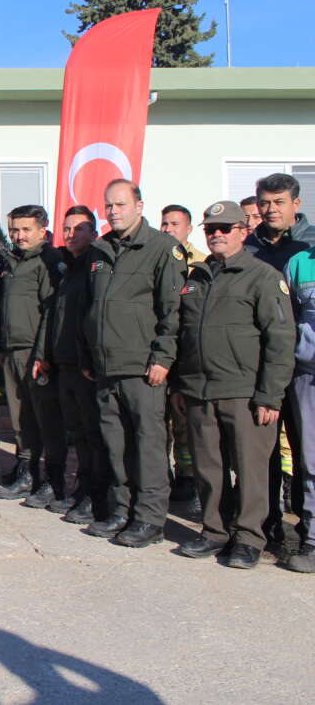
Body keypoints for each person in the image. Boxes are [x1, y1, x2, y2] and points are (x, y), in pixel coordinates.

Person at [170, 201, 295, 569]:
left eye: (225, 228)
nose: (217, 234)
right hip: (199, 391)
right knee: (209, 468)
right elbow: (182, 336)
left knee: (251, 470)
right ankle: (215, 531)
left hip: (245, 392)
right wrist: (180, 384)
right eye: (211, 229)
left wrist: (270, 394)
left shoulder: (262, 277)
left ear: (243, 231)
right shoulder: (196, 277)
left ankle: (248, 538)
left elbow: (280, 340)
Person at [82, 179, 185, 547]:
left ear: (139, 206)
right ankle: (122, 511)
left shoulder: (162, 248)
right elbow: (90, 309)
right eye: (109, 205)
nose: (113, 211)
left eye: (121, 204)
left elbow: (173, 311)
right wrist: (89, 355)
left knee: (148, 446)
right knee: (115, 445)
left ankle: (150, 520)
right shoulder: (99, 249)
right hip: (105, 366)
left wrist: (163, 357)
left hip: (143, 368)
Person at [245, 173, 315, 541]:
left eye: (279, 202)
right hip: (259, 365)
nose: (270, 209)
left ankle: (305, 525)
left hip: (302, 366)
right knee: (263, 449)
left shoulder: (309, 246)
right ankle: (267, 521)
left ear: (296, 204)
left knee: (307, 450)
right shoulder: (248, 248)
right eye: (265, 203)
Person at [32, 206, 105, 526]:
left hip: (85, 365)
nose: (71, 234)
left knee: (92, 434)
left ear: (94, 233)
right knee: (77, 432)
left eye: (79, 228)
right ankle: (80, 489)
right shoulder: (67, 269)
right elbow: (53, 315)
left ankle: (94, 494)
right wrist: (44, 354)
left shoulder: (96, 268)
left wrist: (90, 358)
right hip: (64, 363)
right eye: (67, 229)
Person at [0, 205, 65, 509]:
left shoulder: (48, 261)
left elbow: (51, 310)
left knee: (45, 419)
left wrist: (42, 353)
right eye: (14, 230)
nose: (19, 236)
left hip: (34, 352)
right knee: (20, 417)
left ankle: (53, 478)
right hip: (11, 350)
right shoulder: (12, 261)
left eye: (26, 230)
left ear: (42, 230)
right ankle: (26, 470)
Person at [160, 204, 207, 511]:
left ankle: (187, 476)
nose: (168, 229)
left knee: (185, 421)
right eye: (164, 223)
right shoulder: (157, 256)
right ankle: (162, 474)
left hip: (186, 351)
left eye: (174, 223)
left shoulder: (202, 263)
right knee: (159, 420)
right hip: (161, 349)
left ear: (188, 228)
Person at [285, 243, 315, 572]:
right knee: (311, 462)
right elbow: (288, 321)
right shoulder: (299, 264)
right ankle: (313, 541)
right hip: (308, 377)